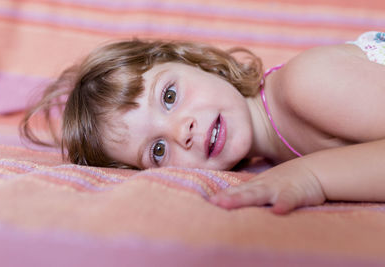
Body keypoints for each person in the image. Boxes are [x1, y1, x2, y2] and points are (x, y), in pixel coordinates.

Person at [20, 31, 385, 214]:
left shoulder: (307, 83)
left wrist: (313, 177)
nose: (183, 131)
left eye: (169, 96)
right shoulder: (273, 150)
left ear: (199, 63)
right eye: (158, 149)